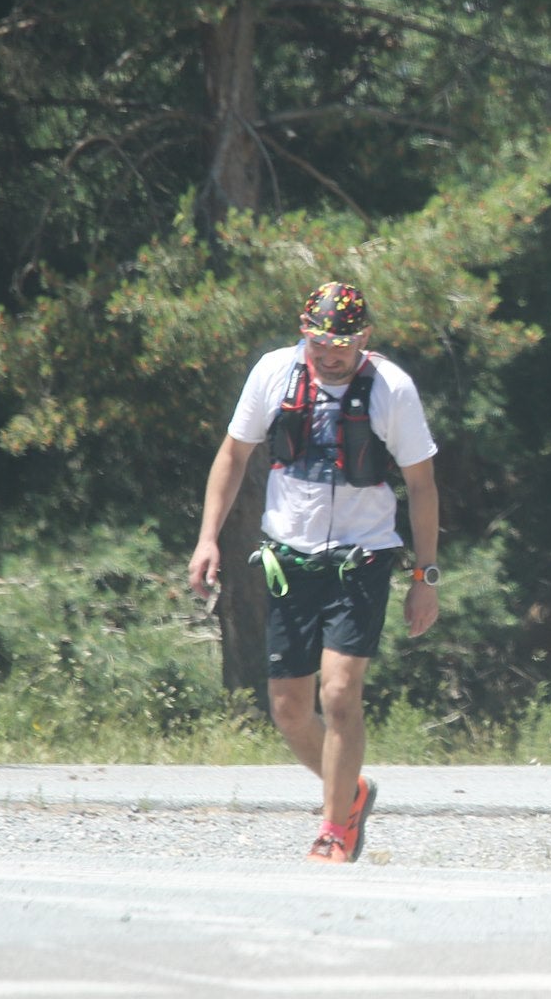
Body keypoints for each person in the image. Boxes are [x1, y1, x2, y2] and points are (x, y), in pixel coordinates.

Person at [187, 281, 440, 863]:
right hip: (290, 559)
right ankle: (350, 791)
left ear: (364, 339)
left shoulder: (392, 389)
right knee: (289, 709)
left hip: (363, 557)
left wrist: (424, 577)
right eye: (319, 341)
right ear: (304, 333)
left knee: (341, 692)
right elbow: (233, 455)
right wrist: (207, 539)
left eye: (342, 344)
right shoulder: (274, 373)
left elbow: (422, 485)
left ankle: (334, 829)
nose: (330, 355)